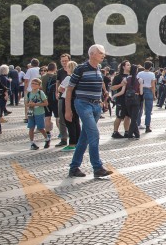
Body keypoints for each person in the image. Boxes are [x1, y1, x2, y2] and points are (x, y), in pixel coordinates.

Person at [67, 44, 112, 178]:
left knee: (84, 138)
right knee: (94, 135)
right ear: (91, 54)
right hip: (83, 104)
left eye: (103, 53)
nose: (103, 55)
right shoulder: (81, 68)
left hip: (95, 106)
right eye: (100, 53)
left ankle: (74, 167)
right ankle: (97, 167)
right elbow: (69, 89)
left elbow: (100, 86)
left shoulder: (98, 68)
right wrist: (68, 110)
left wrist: (103, 97)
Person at [115, 65, 141, 139]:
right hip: (136, 99)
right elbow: (141, 92)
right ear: (136, 71)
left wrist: (115, 95)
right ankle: (130, 134)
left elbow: (122, 91)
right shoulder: (139, 79)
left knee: (132, 117)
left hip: (127, 100)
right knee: (134, 118)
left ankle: (136, 134)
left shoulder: (125, 79)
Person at [58, 60, 80, 151]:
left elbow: (60, 89)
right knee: (76, 122)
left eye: (67, 67)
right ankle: (77, 141)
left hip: (67, 100)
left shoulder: (68, 78)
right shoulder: (79, 78)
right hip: (76, 100)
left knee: (69, 122)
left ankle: (72, 143)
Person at [25, 78, 50, 150]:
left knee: (40, 128)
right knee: (31, 128)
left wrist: (36, 104)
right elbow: (26, 103)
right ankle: (32, 143)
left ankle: (47, 138)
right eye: (32, 83)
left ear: (39, 86)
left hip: (39, 113)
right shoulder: (29, 93)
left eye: (35, 84)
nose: (33, 85)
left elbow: (46, 103)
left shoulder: (40, 93)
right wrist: (29, 104)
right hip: (31, 113)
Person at [137, 61, 157, 132]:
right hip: (149, 90)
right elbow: (153, 85)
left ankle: (138, 123)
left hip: (141, 90)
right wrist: (154, 95)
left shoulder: (139, 73)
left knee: (139, 108)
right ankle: (147, 126)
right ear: (151, 67)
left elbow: (137, 83)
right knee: (148, 110)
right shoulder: (152, 74)